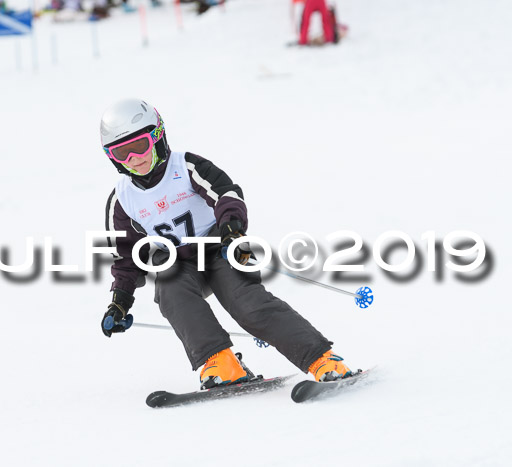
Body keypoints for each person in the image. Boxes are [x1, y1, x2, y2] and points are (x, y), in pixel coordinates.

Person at [100, 99, 353, 389]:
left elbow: (226, 194)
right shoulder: (122, 199)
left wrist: (231, 228)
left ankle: (322, 359)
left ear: (158, 137)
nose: (134, 159)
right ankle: (221, 362)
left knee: (247, 304)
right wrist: (120, 301)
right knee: (171, 292)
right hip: (178, 264)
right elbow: (125, 256)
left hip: (219, 248)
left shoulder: (186, 166)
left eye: (140, 146)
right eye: (122, 153)